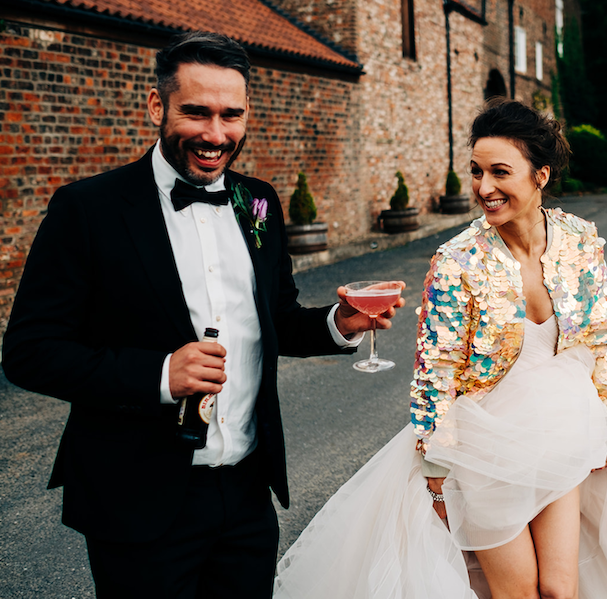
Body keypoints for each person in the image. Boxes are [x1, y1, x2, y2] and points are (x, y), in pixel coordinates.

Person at [272, 99, 607, 598]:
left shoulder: (579, 240)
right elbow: (435, 370)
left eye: (500, 172)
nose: (484, 188)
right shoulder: (457, 259)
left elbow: (603, 335)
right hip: (482, 445)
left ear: (540, 174)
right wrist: (436, 466)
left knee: (560, 588)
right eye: (477, 172)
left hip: (565, 428)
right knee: (517, 593)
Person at [1, 31, 403, 599]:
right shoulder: (86, 209)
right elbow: (28, 352)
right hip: (136, 498)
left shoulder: (258, 200)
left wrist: (339, 324)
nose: (216, 135)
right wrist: (159, 375)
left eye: (231, 116)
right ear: (156, 106)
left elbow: (277, 318)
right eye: (196, 112)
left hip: (245, 494)